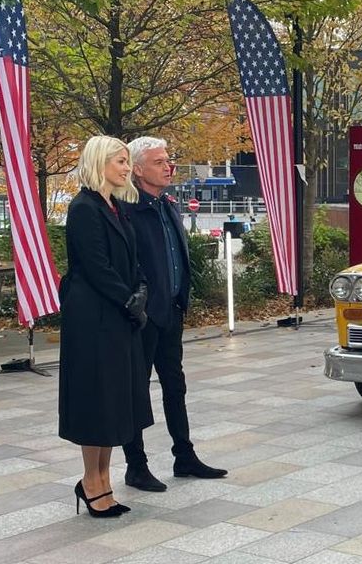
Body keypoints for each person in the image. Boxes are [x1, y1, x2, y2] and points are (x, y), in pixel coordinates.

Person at [122, 136, 227, 491]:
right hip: (144, 317)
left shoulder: (168, 205)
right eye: (158, 162)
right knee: (135, 389)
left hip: (172, 312)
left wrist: (181, 298)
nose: (169, 167)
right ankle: (135, 465)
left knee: (175, 385)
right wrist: (143, 305)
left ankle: (184, 455)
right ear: (137, 170)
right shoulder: (127, 211)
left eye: (169, 160)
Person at [58, 135, 153, 517]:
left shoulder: (114, 206)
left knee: (114, 399)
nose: (126, 168)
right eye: (119, 161)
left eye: (127, 161)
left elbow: (131, 259)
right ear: (100, 163)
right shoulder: (84, 208)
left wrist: (141, 290)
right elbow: (96, 267)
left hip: (117, 315)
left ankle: (102, 480)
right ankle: (91, 481)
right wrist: (128, 300)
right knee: (95, 399)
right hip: (93, 317)